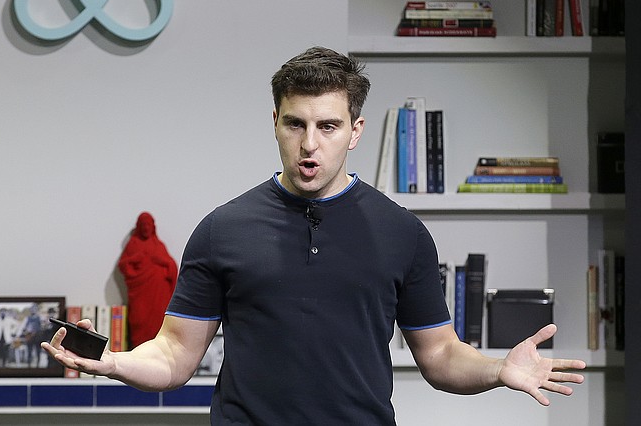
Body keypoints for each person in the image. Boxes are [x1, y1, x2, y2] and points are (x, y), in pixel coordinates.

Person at [43, 47, 586, 424]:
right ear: (274, 122)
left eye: (327, 126)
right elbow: (173, 356)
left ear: (355, 132)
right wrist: (112, 362)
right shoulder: (221, 231)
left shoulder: (403, 233)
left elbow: (441, 355)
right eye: (294, 124)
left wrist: (497, 370)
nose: (310, 144)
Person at [118, 211, 178, 347]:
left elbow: (172, 266)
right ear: (139, 226)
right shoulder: (133, 244)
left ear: (153, 226)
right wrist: (135, 258)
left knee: (159, 326)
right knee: (139, 321)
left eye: (148, 225)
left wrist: (163, 261)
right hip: (140, 295)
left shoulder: (158, 245)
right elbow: (123, 265)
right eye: (143, 225)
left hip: (159, 296)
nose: (146, 228)